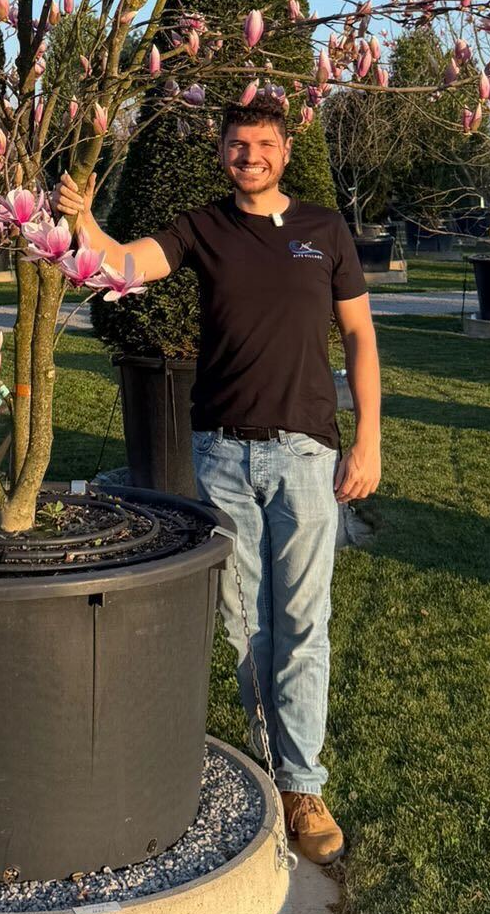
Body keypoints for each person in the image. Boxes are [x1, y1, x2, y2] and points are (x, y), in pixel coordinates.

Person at [56, 92, 382, 864]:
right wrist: (83, 222)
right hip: (223, 457)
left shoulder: (323, 231)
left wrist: (367, 439)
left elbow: (361, 334)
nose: (251, 157)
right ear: (224, 155)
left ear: (284, 152)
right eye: (238, 146)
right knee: (247, 626)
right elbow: (126, 267)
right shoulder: (204, 226)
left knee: (305, 625)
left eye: (264, 145)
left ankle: (302, 784)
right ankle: (274, 765)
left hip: (305, 454)